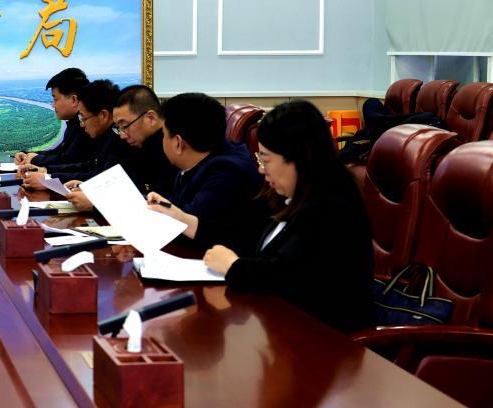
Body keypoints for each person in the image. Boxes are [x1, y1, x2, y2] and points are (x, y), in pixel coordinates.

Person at [149, 100, 373, 334]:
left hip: (323, 338)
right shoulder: (292, 194)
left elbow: (285, 276)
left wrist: (234, 266)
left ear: (296, 158)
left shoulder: (331, 206)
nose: (261, 169)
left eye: (265, 160)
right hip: (281, 325)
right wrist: (182, 219)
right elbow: (247, 237)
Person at [144, 92, 262, 227]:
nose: (162, 140)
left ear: (178, 142)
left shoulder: (226, 175)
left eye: (164, 135)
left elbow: (190, 228)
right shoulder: (204, 155)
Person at [19, 79, 132, 211]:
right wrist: (47, 172)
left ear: (103, 115)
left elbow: (104, 178)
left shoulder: (120, 139)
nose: (82, 124)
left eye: (84, 118)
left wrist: (49, 178)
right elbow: (91, 167)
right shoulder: (105, 135)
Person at [15, 67, 94, 172]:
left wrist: (35, 160)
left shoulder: (87, 126)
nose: (53, 105)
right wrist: (28, 155)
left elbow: (69, 160)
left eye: (55, 99)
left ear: (74, 100)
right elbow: (60, 152)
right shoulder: (74, 122)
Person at [111, 84, 175, 199]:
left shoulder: (173, 148)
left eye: (125, 126)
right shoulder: (138, 145)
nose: (122, 135)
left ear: (151, 118)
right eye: (118, 128)